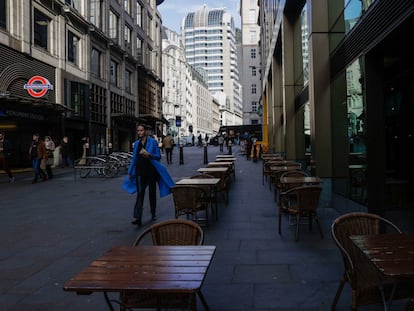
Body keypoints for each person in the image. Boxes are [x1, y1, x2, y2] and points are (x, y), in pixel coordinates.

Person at [128, 124, 175, 226]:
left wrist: (149, 154)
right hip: (140, 171)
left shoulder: (152, 142)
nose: (139, 132)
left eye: (141, 130)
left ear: (145, 131)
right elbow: (134, 159)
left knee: (152, 193)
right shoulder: (136, 144)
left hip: (151, 171)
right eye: (138, 131)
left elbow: (158, 156)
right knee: (140, 194)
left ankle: (153, 213)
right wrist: (130, 171)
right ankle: (138, 217)